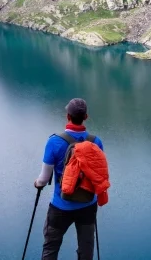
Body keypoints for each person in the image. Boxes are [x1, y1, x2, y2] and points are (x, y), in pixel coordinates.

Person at [33, 98, 104, 260]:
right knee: (86, 250)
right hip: (87, 205)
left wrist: (37, 184)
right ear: (86, 117)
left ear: (68, 116)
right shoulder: (96, 142)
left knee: (51, 248)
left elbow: (43, 179)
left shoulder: (54, 142)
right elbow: (98, 174)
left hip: (60, 207)